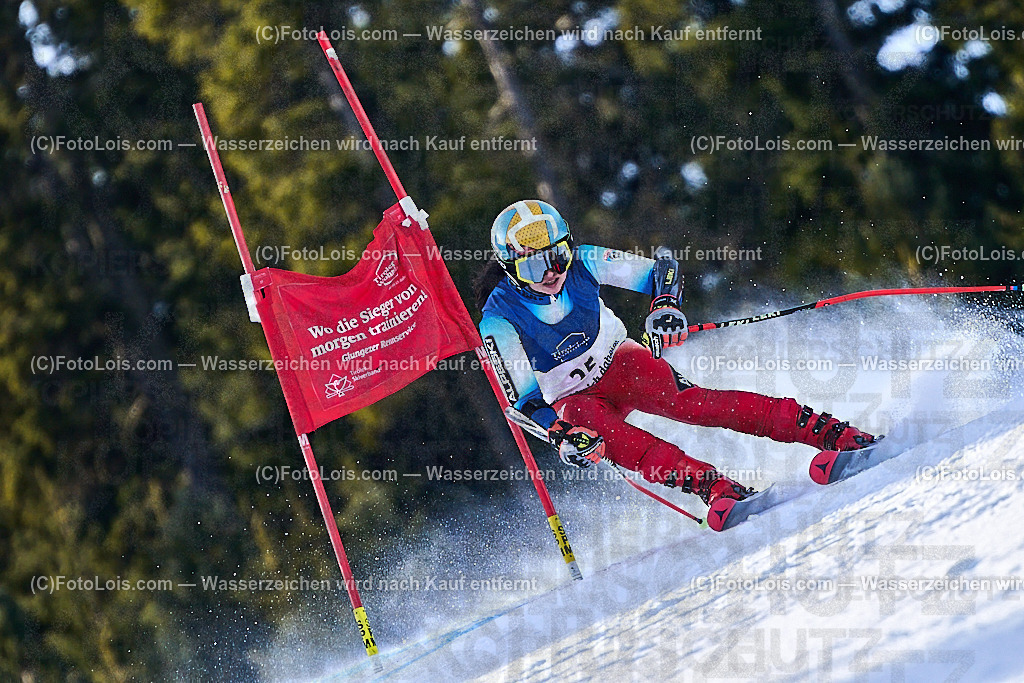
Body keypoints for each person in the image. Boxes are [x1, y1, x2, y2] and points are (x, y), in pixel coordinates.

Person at [476, 199, 877, 515]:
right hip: (573, 399)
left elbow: (660, 270)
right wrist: (562, 436)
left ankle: (832, 433)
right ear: (509, 268)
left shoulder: (584, 261)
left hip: (618, 363)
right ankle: (715, 488)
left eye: (557, 256)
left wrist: (665, 306)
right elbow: (524, 402)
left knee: (696, 406)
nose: (551, 272)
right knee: (611, 438)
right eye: (533, 264)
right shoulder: (498, 319)